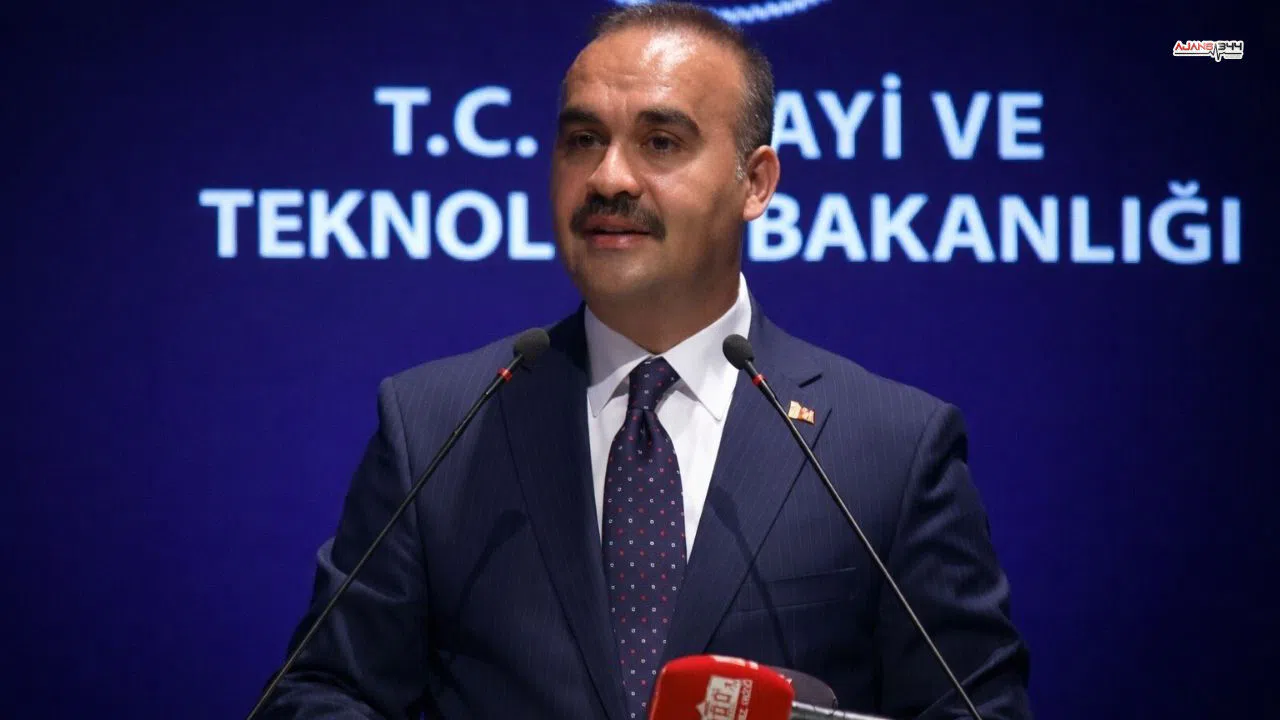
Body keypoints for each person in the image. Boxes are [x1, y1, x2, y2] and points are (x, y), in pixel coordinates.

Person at [258, 3, 1031, 718]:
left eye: (661, 143)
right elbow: (326, 692)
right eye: (582, 140)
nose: (608, 178)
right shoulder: (436, 425)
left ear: (755, 182)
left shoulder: (889, 447)